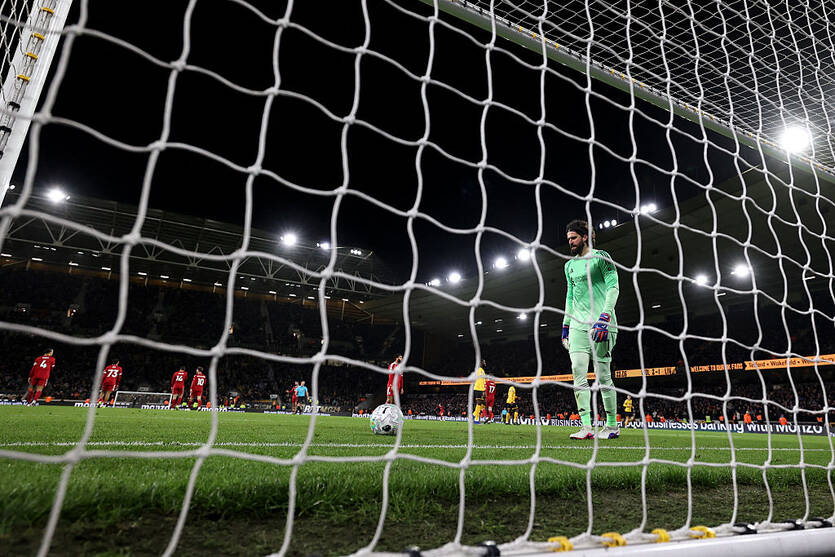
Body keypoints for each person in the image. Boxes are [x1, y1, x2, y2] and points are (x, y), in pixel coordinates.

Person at [562, 219, 620, 440]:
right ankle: (586, 426)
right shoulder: (569, 266)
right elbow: (569, 296)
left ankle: (612, 425)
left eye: (574, 238)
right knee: (578, 372)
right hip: (577, 324)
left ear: (585, 237)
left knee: (603, 375)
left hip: (601, 322)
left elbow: (614, 287)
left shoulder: (601, 257)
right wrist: (566, 325)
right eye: (568, 239)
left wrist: (605, 317)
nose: (571, 242)